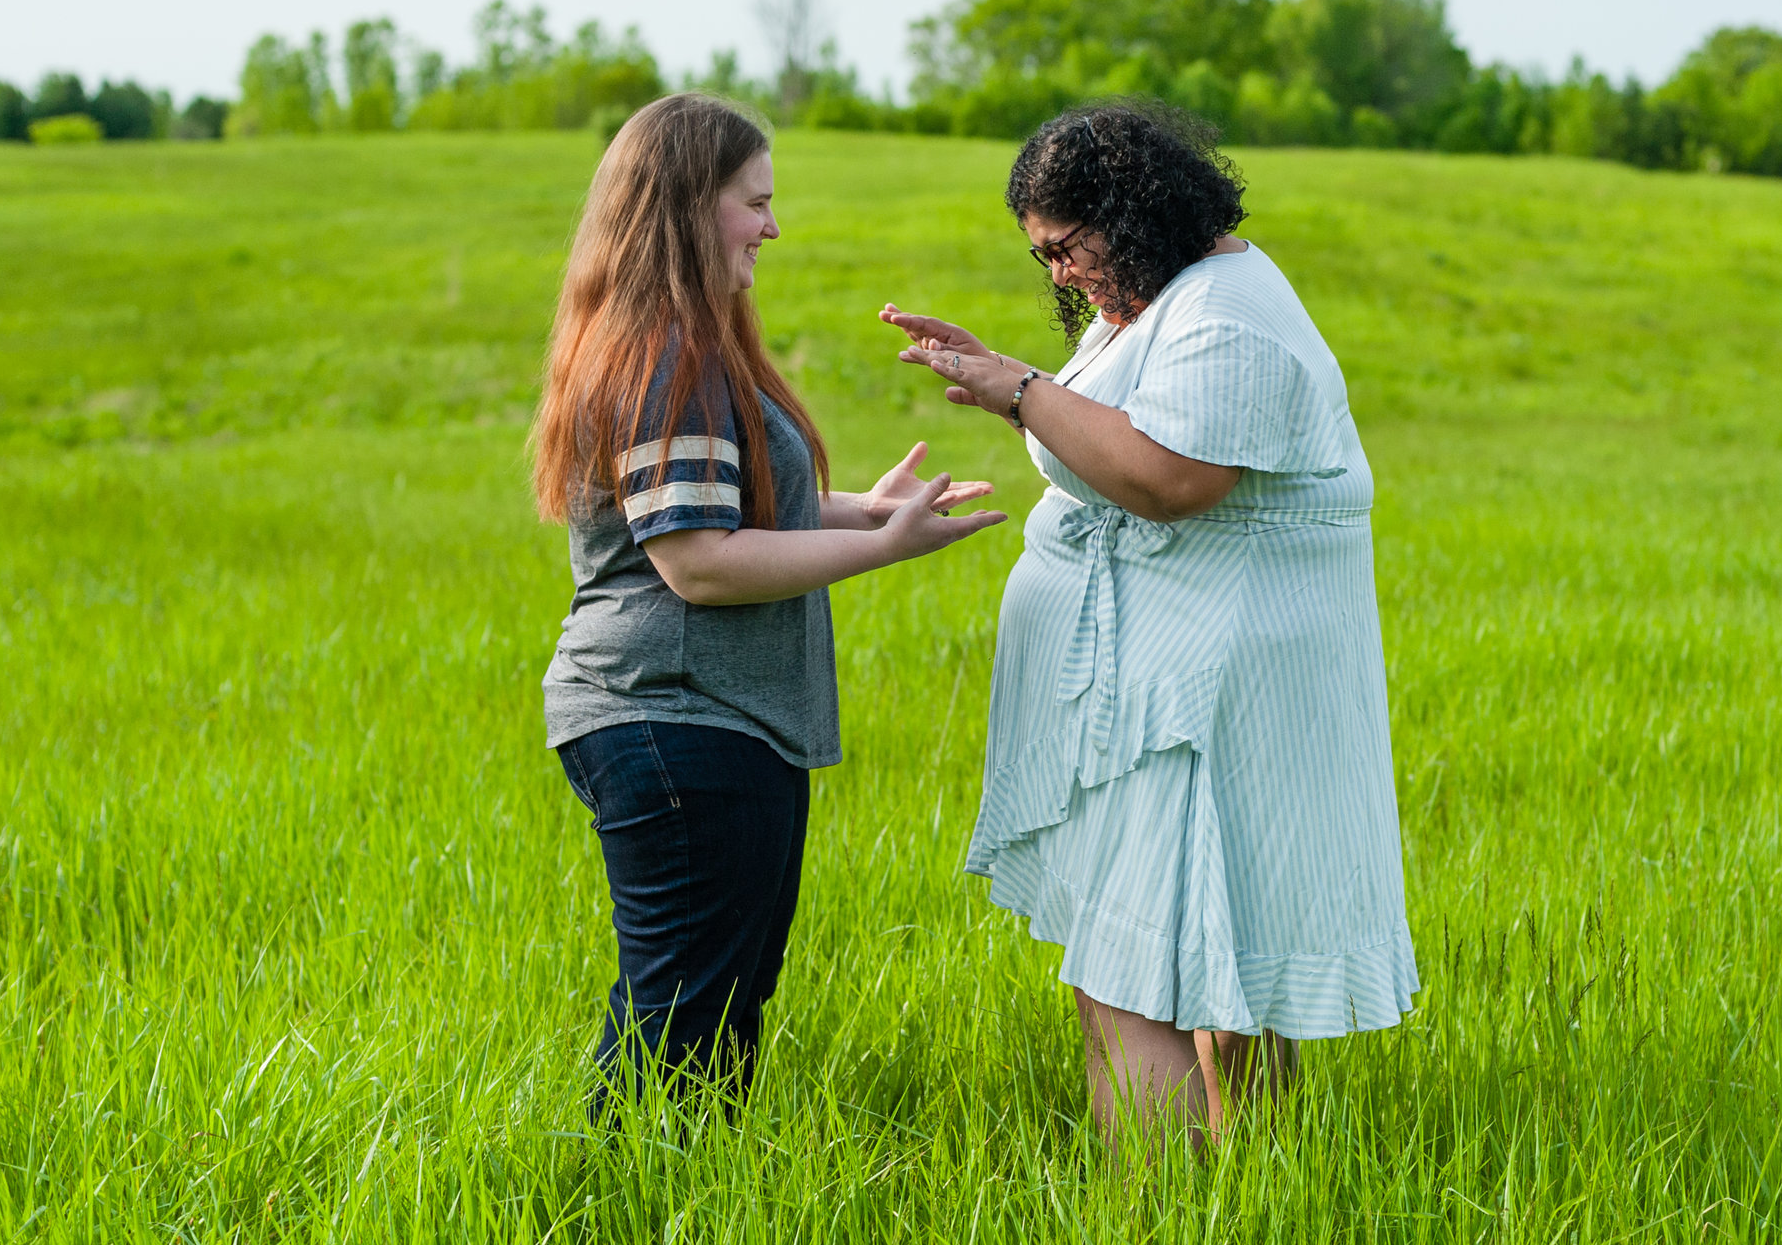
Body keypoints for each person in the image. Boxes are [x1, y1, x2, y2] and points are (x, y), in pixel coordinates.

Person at [883, 102, 1418, 1139]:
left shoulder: (1226, 313)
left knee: (1142, 975)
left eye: (1064, 247)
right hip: (1169, 696)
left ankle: (1156, 1232)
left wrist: (1019, 387)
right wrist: (1006, 383)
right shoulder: (1169, 298)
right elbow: (1116, 424)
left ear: (1130, 213)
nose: (1058, 275)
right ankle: (1243, 1206)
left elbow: (1170, 475)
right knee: (1205, 966)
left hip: (1194, 706)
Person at [533, 92, 1003, 1108]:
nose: (773, 225)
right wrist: (884, 549)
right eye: (755, 199)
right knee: (687, 1026)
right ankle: (636, 1227)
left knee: (708, 1010)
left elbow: (713, 501)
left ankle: (658, 1211)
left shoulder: (671, 340)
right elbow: (697, 558)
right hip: (675, 710)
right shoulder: (669, 355)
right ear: (690, 204)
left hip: (696, 713)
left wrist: (861, 511)